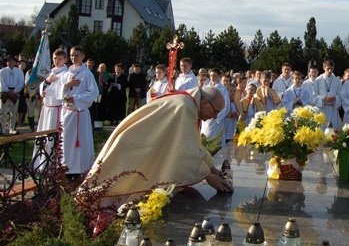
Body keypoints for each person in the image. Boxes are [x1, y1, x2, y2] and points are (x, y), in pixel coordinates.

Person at [79, 85, 231, 207]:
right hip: (134, 145)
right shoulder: (185, 108)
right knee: (119, 184)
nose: (216, 116)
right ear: (204, 103)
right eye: (215, 111)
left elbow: (193, 145)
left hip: (142, 142)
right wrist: (209, 176)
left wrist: (213, 169)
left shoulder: (190, 104)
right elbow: (186, 151)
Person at [56, 46, 99, 176]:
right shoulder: (66, 74)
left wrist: (75, 98)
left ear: (83, 56)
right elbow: (58, 93)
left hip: (79, 113)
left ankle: (80, 167)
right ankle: (66, 166)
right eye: (72, 55)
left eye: (77, 55)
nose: (74, 58)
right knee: (66, 140)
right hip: (67, 113)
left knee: (80, 142)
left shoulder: (86, 74)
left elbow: (93, 93)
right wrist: (66, 86)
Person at [33, 49, 68, 168]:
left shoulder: (65, 74)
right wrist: (47, 82)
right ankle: (41, 163)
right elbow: (42, 88)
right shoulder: (50, 72)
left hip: (56, 110)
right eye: (54, 58)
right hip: (46, 109)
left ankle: (53, 165)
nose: (56, 61)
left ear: (65, 60)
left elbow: (60, 92)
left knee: (53, 139)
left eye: (59, 59)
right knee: (43, 138)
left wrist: (48, 89)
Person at [201, 68, 230, 141]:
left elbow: (226, 106)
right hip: (206, 119)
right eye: (211, 76)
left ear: (219, 77)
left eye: (214, 76)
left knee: (216, 141)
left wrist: (216, 117)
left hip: (216, 120)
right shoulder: (205, 88)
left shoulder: (223, 89)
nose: (212, 78)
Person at [314, 59, 342, 129]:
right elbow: (314, 96)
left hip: (333, 109)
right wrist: (324, 98)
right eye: (328, 68)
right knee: (321, 129)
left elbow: (341, 95)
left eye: (332, 69)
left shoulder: (337, 81)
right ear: (324, 68)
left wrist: (335, 98)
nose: (330, 71)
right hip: (322, 109)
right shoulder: (318, 80)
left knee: (333, 131)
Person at [0, 55, 24, 135]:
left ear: (14, 62)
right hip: (4, 93)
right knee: (2, 113)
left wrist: (14, 91)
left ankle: (12, 128)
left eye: (11, 60)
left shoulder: (19, 71)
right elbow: (1, 83)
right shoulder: (2, 71)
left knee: (13, 112)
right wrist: (7, 90)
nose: (9, 62)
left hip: (15, 93)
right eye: (8, 61)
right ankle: (3, 129)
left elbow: (21, 83)